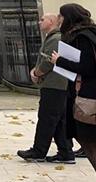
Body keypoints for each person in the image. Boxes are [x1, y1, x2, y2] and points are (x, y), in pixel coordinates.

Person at [51, 3, 96, 182]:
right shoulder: (91, 33)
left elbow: (87, 67)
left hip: (88, 98)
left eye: (60, 16)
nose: (58, 20)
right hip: (89, 96)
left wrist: (59, 61)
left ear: (69, 17)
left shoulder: (82, 37)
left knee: (89, 142)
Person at [18, 13, 74, 163]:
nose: (39, 22)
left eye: (42, 20)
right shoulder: (54, 37)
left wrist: (36, 73)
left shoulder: (55, 39)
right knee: (59, 120)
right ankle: (66, 152)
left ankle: (39, 151)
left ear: (51, 22)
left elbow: (49, 61)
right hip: (57, 85)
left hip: (53, 84)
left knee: (47, 118)